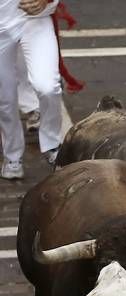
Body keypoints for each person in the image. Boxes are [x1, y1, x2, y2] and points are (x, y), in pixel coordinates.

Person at [0, 0, 64, 180]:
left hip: (35, 20)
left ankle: (52, 143)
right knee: (5, 97)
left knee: (48, 86)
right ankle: (12, 156)